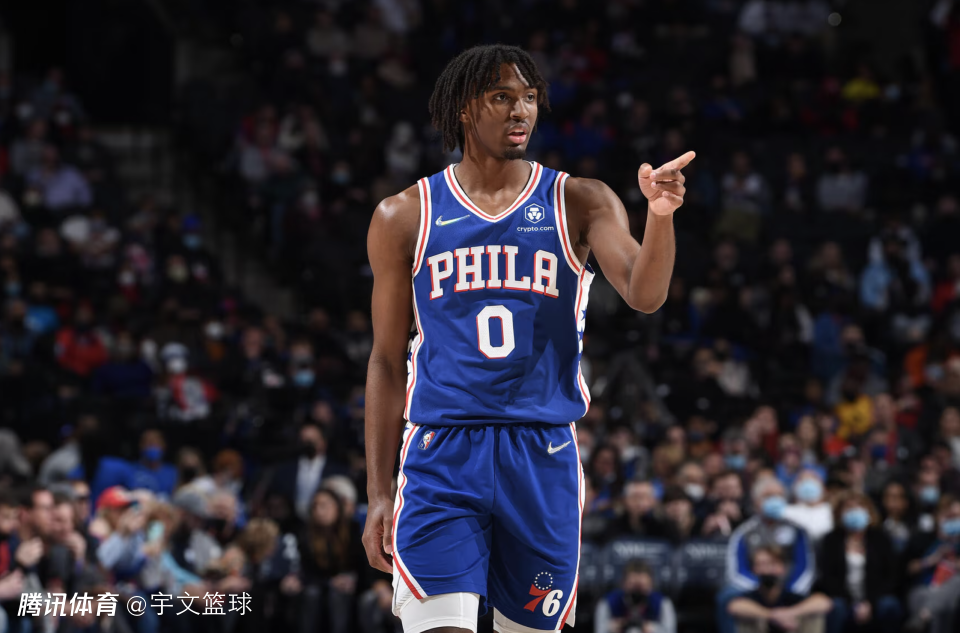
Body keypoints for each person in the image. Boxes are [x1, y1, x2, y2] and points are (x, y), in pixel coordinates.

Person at [363, 44, 694, 633]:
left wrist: (661, 216)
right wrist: (378, 491)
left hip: (541, 453)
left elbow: (645, 295)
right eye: (502, 97)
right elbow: (387, 362)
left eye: (530, 98)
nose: (521, 111)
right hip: (442, 453)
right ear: (465, 108)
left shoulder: (580, 200)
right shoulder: (405, 214)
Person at [718, 477, 816, 633]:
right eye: (769, 496)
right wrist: (763, 590)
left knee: (821, 602)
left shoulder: (798, 530)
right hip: (755, 589)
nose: (775, 500)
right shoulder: (744, 532)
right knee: (726, 598)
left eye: (779, 495)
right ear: (756, 501)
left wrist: (785, 591)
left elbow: (805, 568)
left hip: (790, 588)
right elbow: (736, 572)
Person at [818, 491, 902, 633]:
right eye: (849, 508)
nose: (855, 511)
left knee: (890, 605)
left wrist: (870, 603)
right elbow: (828, 578)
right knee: (836, 606)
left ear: (869, 512)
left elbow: (891, 576)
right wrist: (853, 604)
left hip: (875, 599)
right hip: (843, 599)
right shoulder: (831, 540)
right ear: (839, 513)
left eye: (860, 507)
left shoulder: (881, 539)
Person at [728, 546, 832, 633]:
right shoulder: (751, 596)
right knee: (748, 616)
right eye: (761, 564)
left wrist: (790, 613)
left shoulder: (790, 596)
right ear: (754, 569)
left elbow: (824, 602)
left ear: (782, 567)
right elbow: (734, 606)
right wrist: (772, 616)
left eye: (771, 564)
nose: (766, 569)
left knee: (813, 616)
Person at [594, 560, 676, 633]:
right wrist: (611, 628)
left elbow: (670, 630)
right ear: (623, 584)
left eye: (642, 586)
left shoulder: (663, 603)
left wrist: (652, 629)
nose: (637, 593)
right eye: (633, 586)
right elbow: (599, 630)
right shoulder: (608, 602)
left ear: (651, 585)